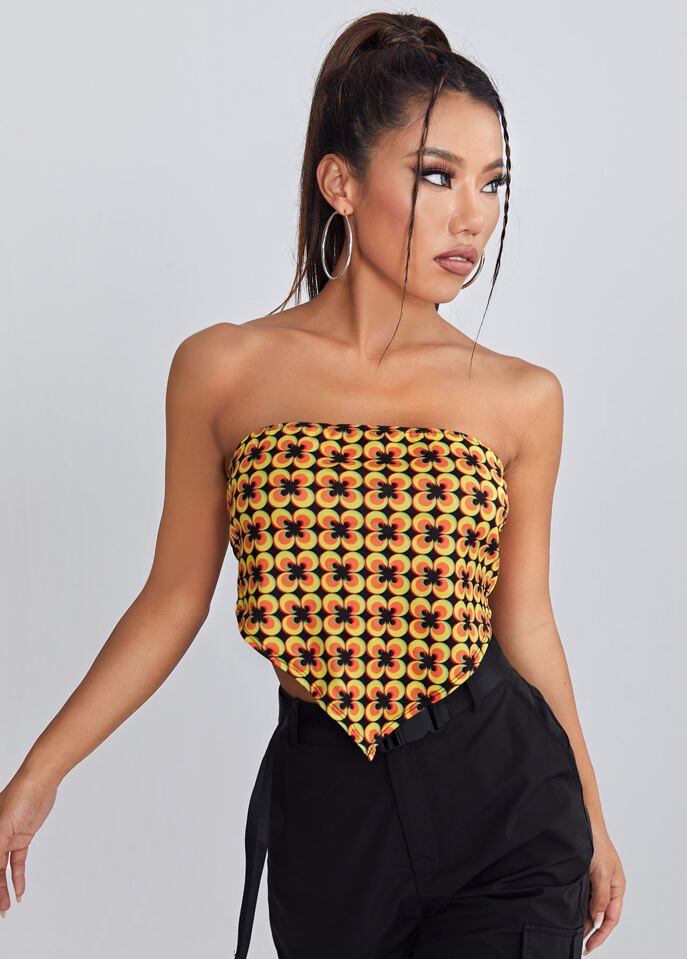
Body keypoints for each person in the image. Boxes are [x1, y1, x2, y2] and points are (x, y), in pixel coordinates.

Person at [0, 10, 626, 958]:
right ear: (341, 182)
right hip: (327, 816)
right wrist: (40, 772)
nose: (475, 216)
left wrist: (594, 814)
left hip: (505, 802)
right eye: (438, 175)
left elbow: (527, 619)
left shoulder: (521, 397)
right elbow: (172, 599)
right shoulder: (223, 370)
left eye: (494, 182)